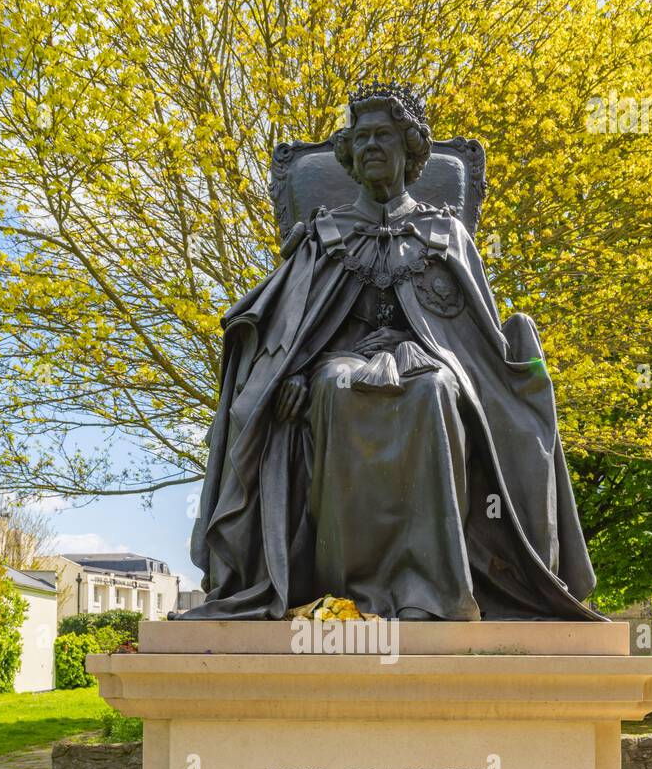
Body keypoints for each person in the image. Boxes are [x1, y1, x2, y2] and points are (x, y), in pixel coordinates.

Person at [188, 80, 599, 621]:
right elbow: (294, 327)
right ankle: (345, 593)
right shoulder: (323, 237)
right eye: (360, 140)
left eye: (383, 136)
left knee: (435, 392)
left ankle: (430, 591)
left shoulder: (445, 234)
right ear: (349, 158)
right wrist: (290, 374)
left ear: (410, 151)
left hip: (429, 362)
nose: (371, 147)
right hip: (341, 362)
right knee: (333, 388)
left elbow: (473, 340)